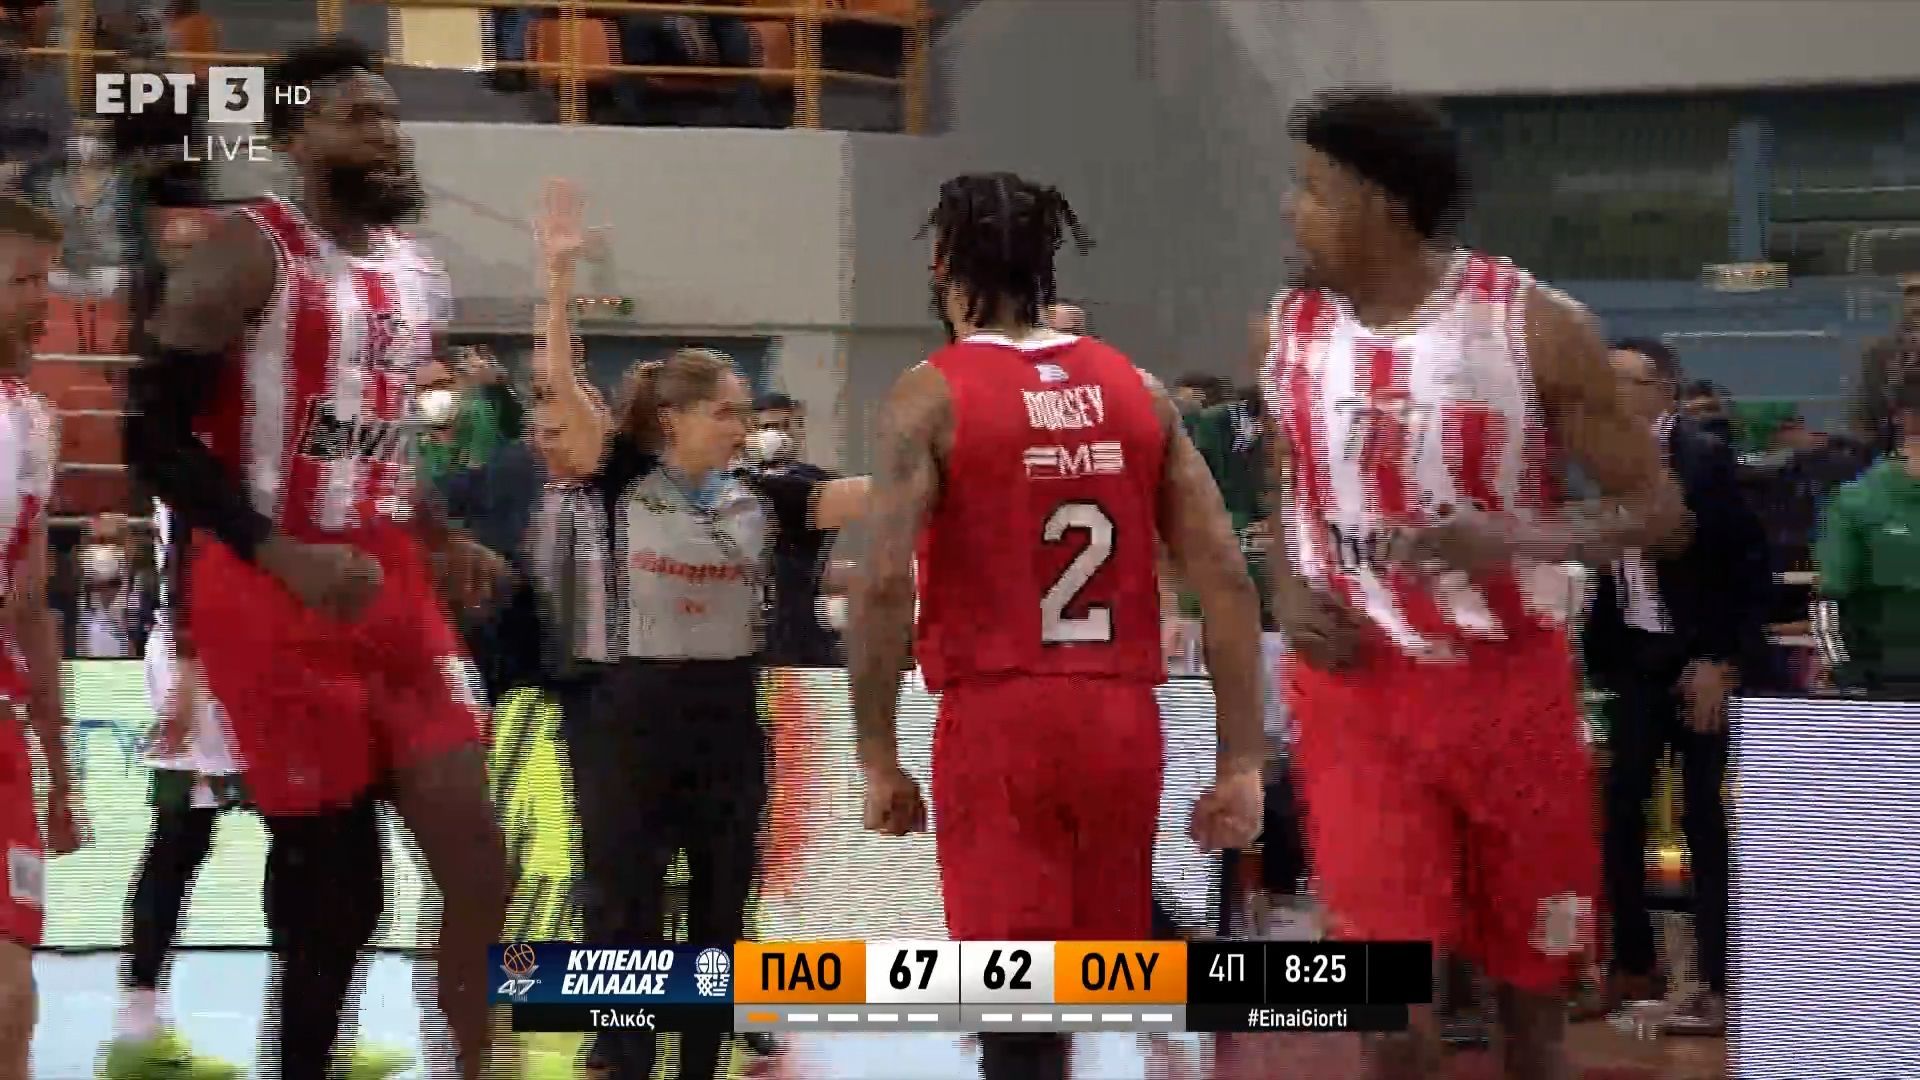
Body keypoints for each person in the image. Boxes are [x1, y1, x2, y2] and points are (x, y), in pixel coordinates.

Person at [1262, 91, 1685, 1079]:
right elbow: (1288, 484)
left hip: (1507, 694)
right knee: (1386, 1011)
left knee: (1529, 1010)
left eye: (1313, 189)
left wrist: (1518, 535)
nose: (1293, 209)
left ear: (1379, 202)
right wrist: (1286, 588)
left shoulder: (1533, 324)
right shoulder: (1286, 329)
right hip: (1357, 698)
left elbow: (1657, 508)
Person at [120, 39, 511, 1080]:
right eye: (355, 115)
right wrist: (277, 553)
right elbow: (150, 439)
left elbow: (374, 432)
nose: (384, 132)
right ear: (295, 137)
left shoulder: (415, 270)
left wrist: (437, 529)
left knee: (480, 868)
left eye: (388, 113)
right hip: (269, 587)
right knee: (339, 893)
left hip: (390, 580)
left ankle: (476, 1067)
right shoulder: (245, 253)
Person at [852, 172, 1266, 1080]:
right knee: (1081, 990)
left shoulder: (930, 395)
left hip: (1000, 716)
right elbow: (1227, 579)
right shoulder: (1137, 388)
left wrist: (877, 754)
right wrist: (1242, 758)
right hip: (1120, 717)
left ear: (941, 265)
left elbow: (881, 584)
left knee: (1010, 1003)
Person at [529, 176, 870, 1079]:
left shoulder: (766, 496)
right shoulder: (618, 479)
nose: (742, 426)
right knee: (625, 901)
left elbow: (879, 495)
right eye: (725, 411)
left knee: (723, 904)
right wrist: (557, 283)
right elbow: (561, 386)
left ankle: (703, 1058)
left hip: (727, 713)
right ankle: (624, 1050)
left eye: (745, 413)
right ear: (673, 418)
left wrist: (967, 438)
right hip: (627, 713)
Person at [1584, 337, 1770, 1036]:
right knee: (1620, 809)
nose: (1609, 393)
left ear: (1662, 388)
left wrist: (1723, 657)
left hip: (1699, 656)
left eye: (1624, 381)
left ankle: (1723, 980)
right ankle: (1635, 965)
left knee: (1704, 818)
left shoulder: (1704, 458)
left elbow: (1748, 566)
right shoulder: (1604, 458)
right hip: (1635, 655)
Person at [0, 194, 83, 1080]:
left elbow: (29, 604)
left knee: (11, 990)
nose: (43, 303)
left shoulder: (32, 421)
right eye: (24, 281)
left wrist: (59, 771)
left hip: (2, 731)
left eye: (46, 282)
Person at [1815, 370, 1920, 697]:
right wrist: (1847, 681)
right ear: (1905, 418)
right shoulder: (1858, 501)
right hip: (1888, 687)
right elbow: (1827, 604)